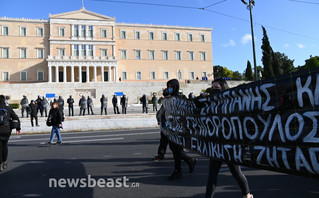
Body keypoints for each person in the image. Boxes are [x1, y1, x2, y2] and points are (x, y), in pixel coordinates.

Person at [205, 79, 253, 198]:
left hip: (230, 145)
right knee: (212, 176)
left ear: (223, 88)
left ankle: (246, 194)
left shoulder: (232, 103)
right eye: (213, 87)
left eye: (217, 87)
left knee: (236, 173)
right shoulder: (212, 102)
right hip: (216, 145)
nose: (214, 90)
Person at [164, 79, 197, 180]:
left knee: (176, 150)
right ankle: (189, 161)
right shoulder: (169, 98)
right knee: (175, 149)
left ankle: (178, 171)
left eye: (171, 86)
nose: (169, 88)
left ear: (175, 87)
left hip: (180, 129)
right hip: (171, 128)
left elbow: (190, 106)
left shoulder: (180, 98)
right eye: (168, 86)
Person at [0, 95, 21, 172]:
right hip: (6, 130)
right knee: (4, 146)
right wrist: (17, 128)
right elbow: (16, 118)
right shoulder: (8, 108)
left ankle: (0, 164)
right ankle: (4, 161)